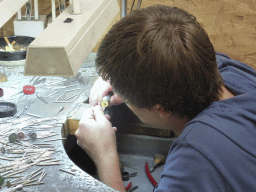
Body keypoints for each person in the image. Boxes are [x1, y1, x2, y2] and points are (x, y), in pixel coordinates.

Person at [75, 4, 256, 192]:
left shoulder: (197, 156)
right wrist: (116, 74)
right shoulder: (231, 70)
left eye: (125, 98)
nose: (117, 95)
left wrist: (104, 156)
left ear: (162, 109)